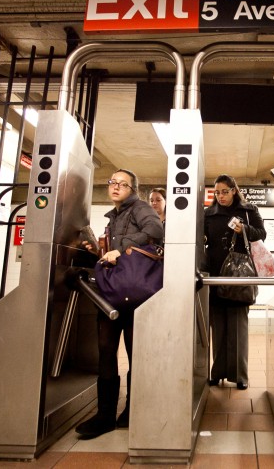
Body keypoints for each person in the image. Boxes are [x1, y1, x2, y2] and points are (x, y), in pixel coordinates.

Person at [76, 169, 164, 439]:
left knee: (134, 350)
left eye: (122, 184)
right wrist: (100, 251)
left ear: (133, 189)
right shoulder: (113, 216)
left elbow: (155, 230)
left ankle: (131, 409)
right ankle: (105, 415)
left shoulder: (139, 208)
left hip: (135, 293)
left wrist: (121, 246)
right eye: (112, 182)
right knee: (105, 348)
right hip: (113, 291)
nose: (115, 187)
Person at [203, 174, 266, 390]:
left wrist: (244, 230)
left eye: (225, 191)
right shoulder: (208, 215)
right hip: (215, 275)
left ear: (234, 190)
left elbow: (261, 234)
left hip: (240, 275)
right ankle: (217, 372)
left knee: (238, 326)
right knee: (218, 327)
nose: (220, 196)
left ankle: (240, 376)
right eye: (217, 192)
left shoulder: (249, 211)